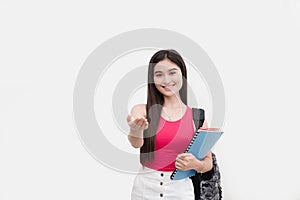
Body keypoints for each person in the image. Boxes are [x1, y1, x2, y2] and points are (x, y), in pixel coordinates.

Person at [127, 49, 213, 200]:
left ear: (182, 74)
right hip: (145, 189)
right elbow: (136, 143)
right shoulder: (141, 110)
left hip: (180, 190)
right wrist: (136, 130)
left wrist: (195, 164)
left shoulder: (197, 118)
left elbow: (208, 163)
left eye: (172, 72)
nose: (166, 80)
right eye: (159, 75)